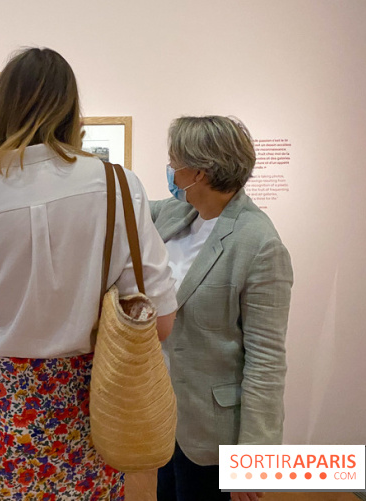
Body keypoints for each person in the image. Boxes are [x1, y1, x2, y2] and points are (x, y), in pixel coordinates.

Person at [0, 48, 178, 500]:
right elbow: (160, 319)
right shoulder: (117, 183)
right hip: (88, 398)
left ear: (1, 106)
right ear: (72, 108)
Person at [153, 116, 293, 501]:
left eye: (174, 162)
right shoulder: (176, 214)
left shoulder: (259, 244)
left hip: (214, 432)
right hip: (167, 417)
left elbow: (266, 359)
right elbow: (122, 206)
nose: (170, 171)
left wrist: (255, 459)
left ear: (198, 172)